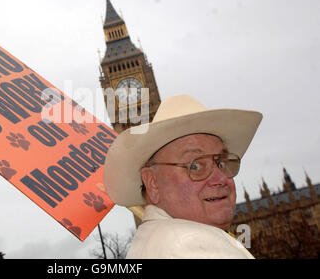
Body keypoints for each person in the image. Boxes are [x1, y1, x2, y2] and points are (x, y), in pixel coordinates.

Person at [103, 94, 262, 258]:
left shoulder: (154, 244)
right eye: (195, 165)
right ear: (152, 183)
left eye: (221, 163)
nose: (221, 179)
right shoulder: (194, 246)